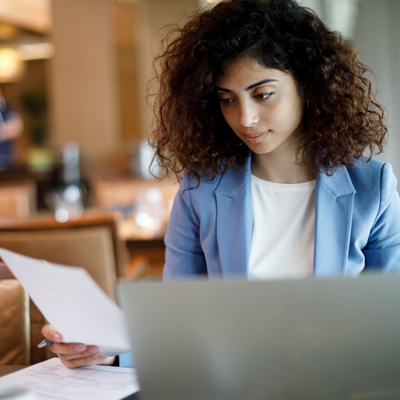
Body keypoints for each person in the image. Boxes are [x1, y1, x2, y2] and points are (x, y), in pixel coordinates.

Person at [42, 0, 400, 368]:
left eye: (262, 95)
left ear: (308, 85)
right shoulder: (200, 190)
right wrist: (108, 350)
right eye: (227, 100)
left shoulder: (373, 187)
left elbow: (389, 322)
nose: (245, 118)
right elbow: (179, 318)